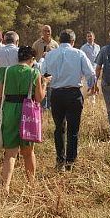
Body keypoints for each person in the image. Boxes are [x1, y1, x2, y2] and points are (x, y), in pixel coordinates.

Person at [41, 29, 96, 171]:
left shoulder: (50, 55)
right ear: (73, 41)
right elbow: (90, 73)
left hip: (56, 94)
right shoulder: (79, 53)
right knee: (73, 130)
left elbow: (43, 73)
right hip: (73, 94)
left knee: (59, 128)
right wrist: (91, 87)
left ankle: (60, 160)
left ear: (59, 41)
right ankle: (70, 161)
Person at [0, 46, 45, 193]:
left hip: (9, 110)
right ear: (31, 59)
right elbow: (39, 98)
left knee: (10, 152)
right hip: (27, 112)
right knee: (28, 152)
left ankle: (5, 187)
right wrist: (45, 84)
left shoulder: (7, 71)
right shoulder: (34, 72)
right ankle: (31, 184)